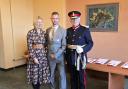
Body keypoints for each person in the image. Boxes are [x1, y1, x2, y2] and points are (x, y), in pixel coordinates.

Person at [66, 11, 93, 89]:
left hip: (80, 58)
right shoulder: (67, 30)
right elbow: (66, 45)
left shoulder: (85, 30)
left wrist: (83, 49)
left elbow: (90, 43)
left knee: (81, 79)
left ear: (79, 19)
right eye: (72, 19)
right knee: (72, 78)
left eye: (76, 19)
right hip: (70, 58)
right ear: (70, 20)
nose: (74, 20)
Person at [27, 16, 50, 89]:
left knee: (40, 75)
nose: (39, 24)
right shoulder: (30, 32)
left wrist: (46, 54)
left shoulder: (44, 33)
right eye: (37, 22)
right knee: (35, 75)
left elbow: (46, 44)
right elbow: (30, 46)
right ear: (34, 23)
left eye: (41, 22)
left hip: (43, 56)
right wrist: (34, 58)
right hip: (34, 57)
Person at [46, 12, 67, 89]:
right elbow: (47, 43)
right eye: (53, 18)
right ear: (51, 19)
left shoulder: (63, 30)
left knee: (62, 75)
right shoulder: (47, 30)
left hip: (60, 57)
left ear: (59, 19)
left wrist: (56, 54)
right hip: (50, 56)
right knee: (51, 74)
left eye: (56, 18)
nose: (55, 20)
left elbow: (64, 45)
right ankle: (52, 87)